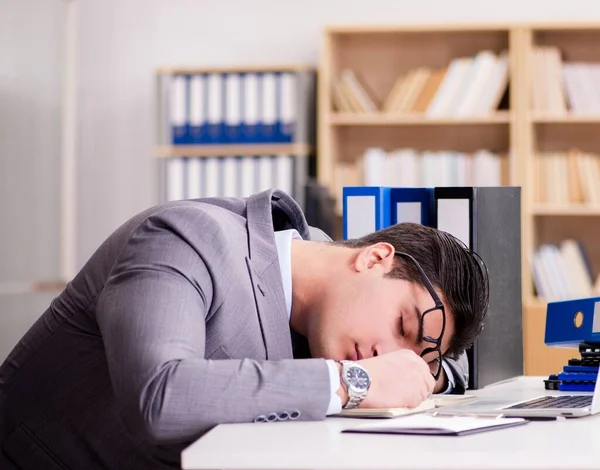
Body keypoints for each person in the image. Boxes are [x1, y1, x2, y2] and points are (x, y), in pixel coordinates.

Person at [0, 189, 489, 469]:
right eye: (402, 325)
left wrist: (426, 373)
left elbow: (450, 361)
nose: (388, 353)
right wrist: (354, 382)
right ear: (376, 257)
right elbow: (160, 397)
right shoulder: (186, 238)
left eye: (418, 352)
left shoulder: (317, 271)